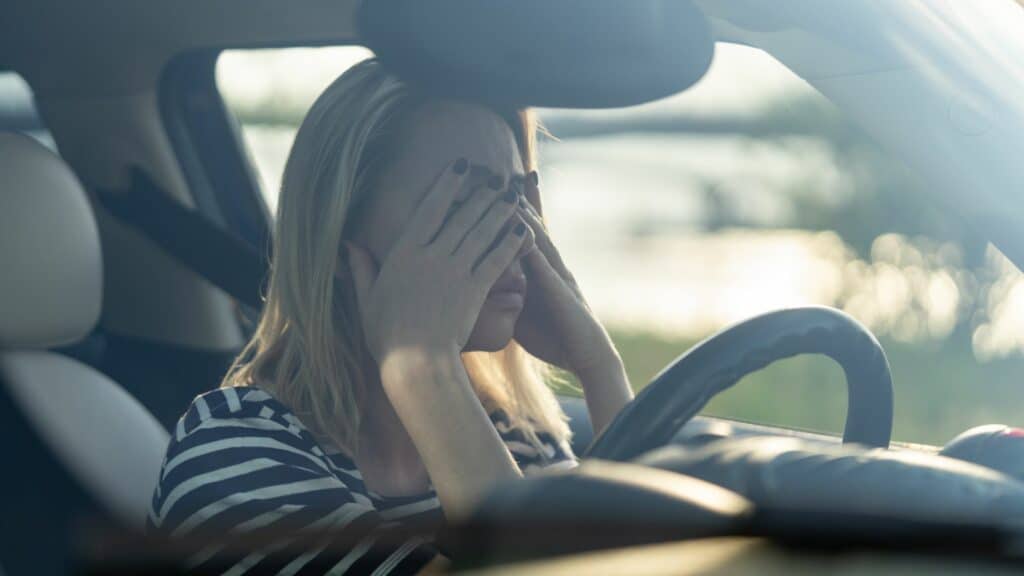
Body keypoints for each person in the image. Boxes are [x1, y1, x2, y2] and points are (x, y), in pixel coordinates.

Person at [147, 58, 633, 574]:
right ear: (337, 242)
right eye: (463, 205)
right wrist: (419, 365)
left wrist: (600, 366)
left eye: (516, 197)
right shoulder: (234, 460)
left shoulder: (513, 436)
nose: (517, 237)